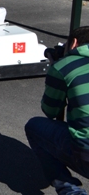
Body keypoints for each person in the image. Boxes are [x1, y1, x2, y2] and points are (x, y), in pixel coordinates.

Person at [25, 26, 89, 195]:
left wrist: (56, 68)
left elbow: (50, 111)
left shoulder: (65, 67)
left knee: (34, 127)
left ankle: (70, 190)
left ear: (74, 43)